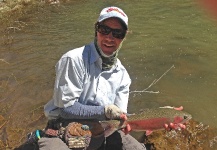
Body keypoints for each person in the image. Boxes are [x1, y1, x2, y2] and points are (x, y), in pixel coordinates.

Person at [34, 6, 184, 150]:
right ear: (96, 30)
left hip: (103, 130)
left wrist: (161, 115)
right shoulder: (73, 59)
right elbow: (66, 109)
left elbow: (123, 119)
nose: (110, 38)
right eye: (104, 30)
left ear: (124, 37)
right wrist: (105, 111)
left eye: (117, 33)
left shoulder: (123, 76)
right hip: (62, 128)